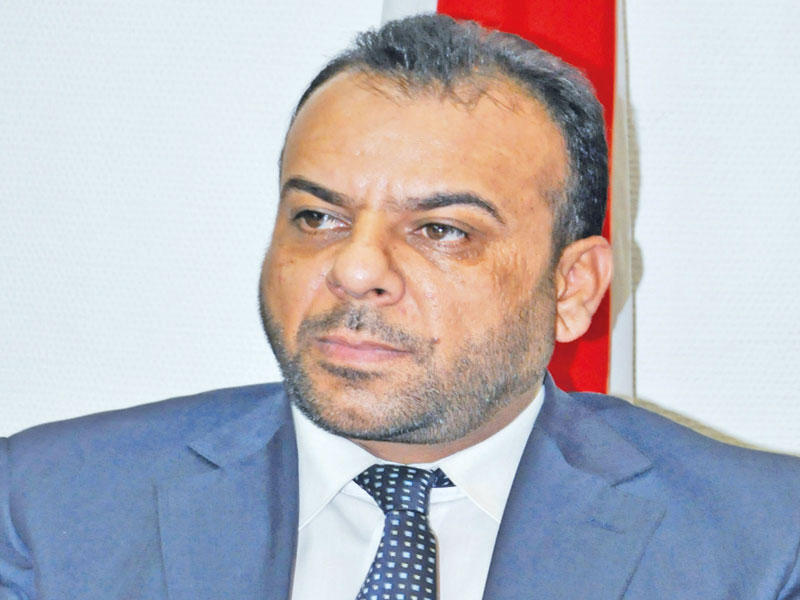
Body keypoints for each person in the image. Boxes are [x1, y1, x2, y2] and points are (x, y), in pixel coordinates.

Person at [1, 13, 799, 600]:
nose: (355, 270)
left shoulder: (763, 544)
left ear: (572, 289)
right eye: (318, 217)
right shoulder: (48, 505)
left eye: (442, 230)